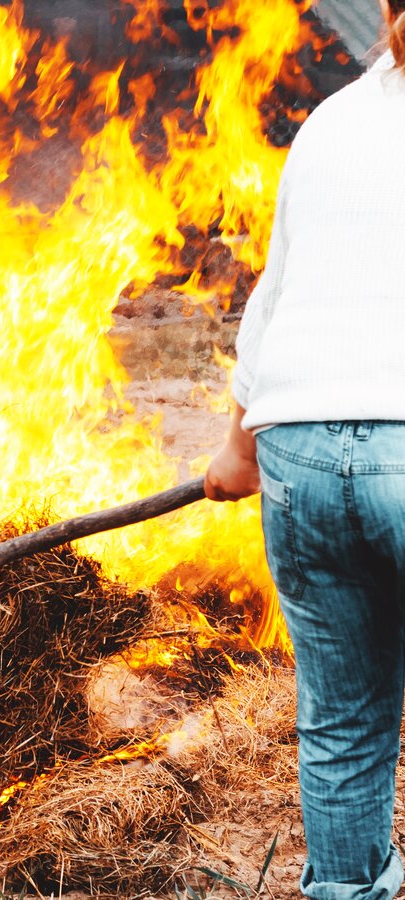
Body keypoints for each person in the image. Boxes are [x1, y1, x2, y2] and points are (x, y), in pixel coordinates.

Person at [205, 1, 405, 896]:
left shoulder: (329, 122)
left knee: (345, 724)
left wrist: (236, 448)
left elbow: (274, 295)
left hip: (301, 450)